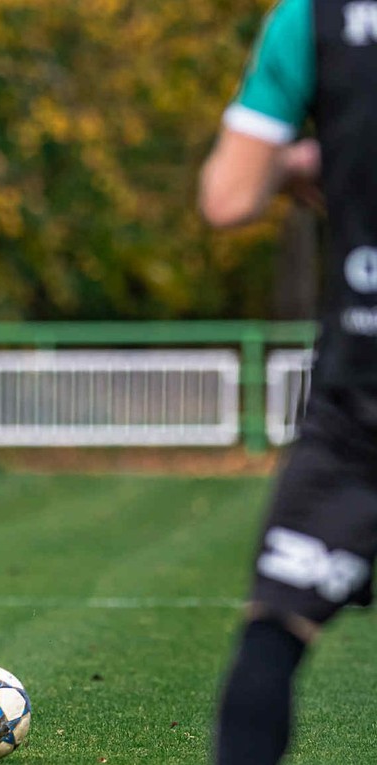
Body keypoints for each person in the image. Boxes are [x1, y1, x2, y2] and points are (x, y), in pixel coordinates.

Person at [200, 2, 377, 763]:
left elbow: (229, 198)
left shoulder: (314, 19)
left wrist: (308, 159)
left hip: (362, 390)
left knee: (277, 628)